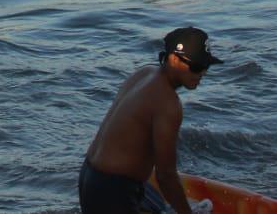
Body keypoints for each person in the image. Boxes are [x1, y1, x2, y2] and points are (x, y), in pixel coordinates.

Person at [80, 28, 222, 214]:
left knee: (156, 202)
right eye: (196, 67)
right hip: (112, 192)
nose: (202, 73)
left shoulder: (145, 73)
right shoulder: (168, 104)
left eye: (206, 66)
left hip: (89, 177)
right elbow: (165, 176)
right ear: (173, 60)